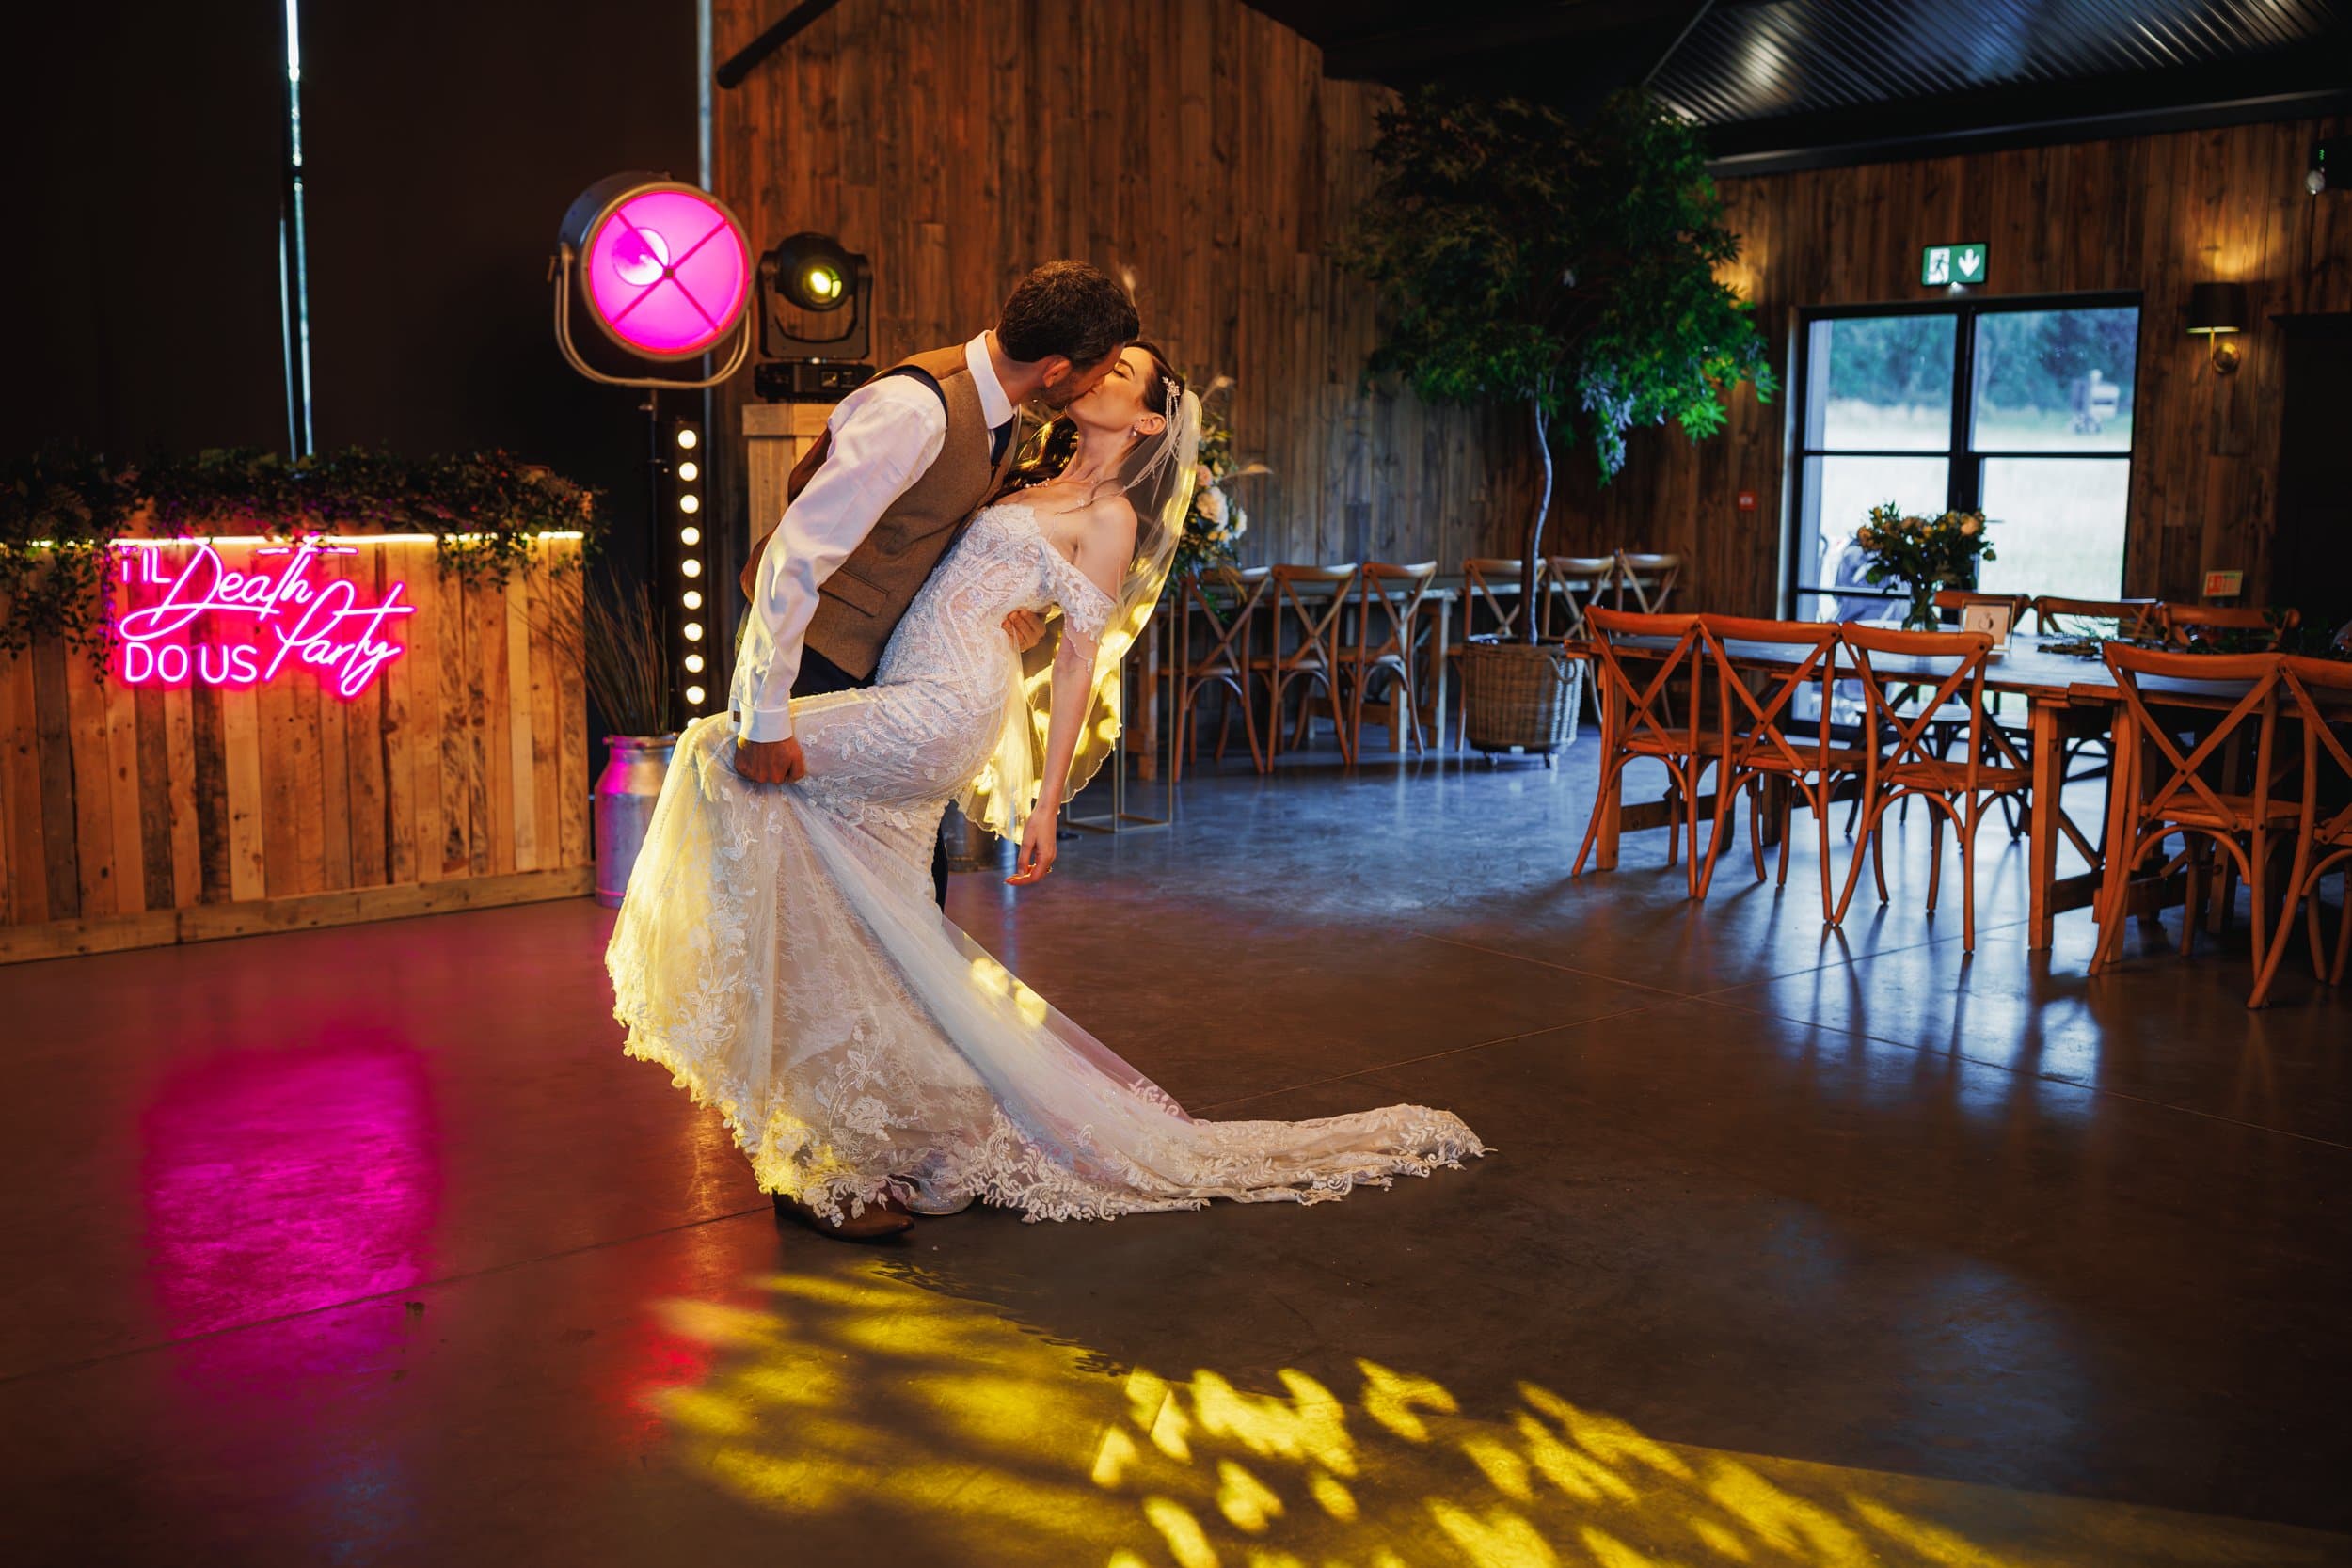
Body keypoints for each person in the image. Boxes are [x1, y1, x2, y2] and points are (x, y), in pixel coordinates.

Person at [608, 340, 1486, 1240]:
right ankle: (912, 1131)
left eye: (1121, 374)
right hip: (913, 676)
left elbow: (1079, 664)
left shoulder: (1110, 516)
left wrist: (1046, 803)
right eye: (1101, 362)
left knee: (723, 749)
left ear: (1148, 421)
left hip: (944, 706)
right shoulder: (1022, 466)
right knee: (892, 928)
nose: (1098, 376)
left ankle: (747, 1028)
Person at [731, 260, 1140, 905]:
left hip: (888, 664)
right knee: (787, 872)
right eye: (1104, 367)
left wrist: (1006, 609)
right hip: (810, 655)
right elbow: (795, 556)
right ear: (1057, 370)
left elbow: (939, 536)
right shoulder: (915, 409)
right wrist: (765, 713)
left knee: (892, 882)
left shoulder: (1007, 415)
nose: (1099, 382)